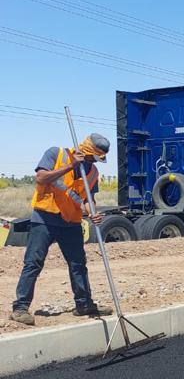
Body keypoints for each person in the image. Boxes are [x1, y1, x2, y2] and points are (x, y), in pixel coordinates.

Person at [11, 134, 111, 326]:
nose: (94, 161)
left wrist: (93, 213)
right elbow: (40, 178)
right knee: (33, 263)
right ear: (87, 150)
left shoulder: (93, 173)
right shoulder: (56, 154)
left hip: (71, 221)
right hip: (45, 218)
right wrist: (70, 166)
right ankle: (20, 308)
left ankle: (84, 305)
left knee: (78, 264)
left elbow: (88, 199)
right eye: (94, 156)